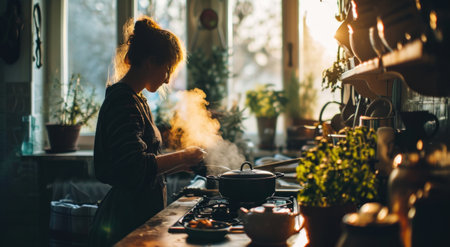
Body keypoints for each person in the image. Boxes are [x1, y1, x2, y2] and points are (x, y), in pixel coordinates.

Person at [89, 16, 206, 246]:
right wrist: (182, 156)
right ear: (151, 61)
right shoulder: (123, 101)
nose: (168, 79)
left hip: (138, 213)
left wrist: (181, 164)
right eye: (168, 70)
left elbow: (145, 165)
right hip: (125, 219)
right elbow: (135, 167)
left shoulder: (137, 99)